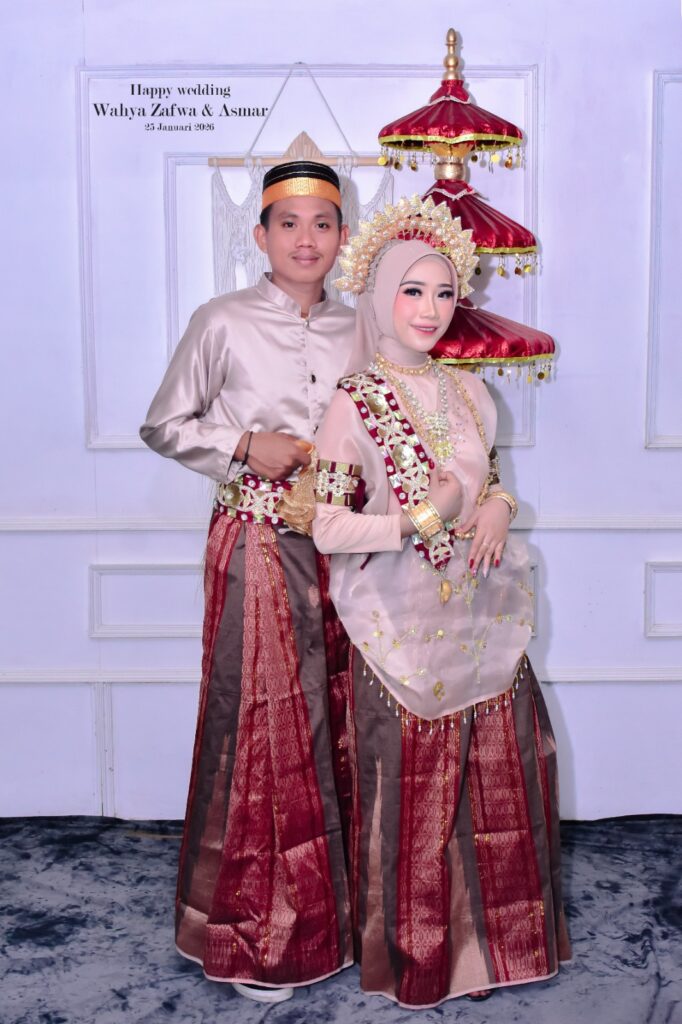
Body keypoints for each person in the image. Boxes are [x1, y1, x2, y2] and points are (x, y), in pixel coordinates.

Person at [312, 197, 571, 1009]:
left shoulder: (470, 393)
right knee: (416, 792)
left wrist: (497, 507)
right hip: (397, 621)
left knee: (499, 778)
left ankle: (494, 949)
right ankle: (421, 956)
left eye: (445, 292)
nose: (430, 310)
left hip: (481, 615)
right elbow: (326, 525)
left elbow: (491, 483)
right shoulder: (354, 401)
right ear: (379, 294)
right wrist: (425, 517)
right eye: (413, 291)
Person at [140, 161, 356, 1004]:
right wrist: (240, 444)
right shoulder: (222, 320)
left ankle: (338, 920)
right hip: (258, 542)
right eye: (288, 224)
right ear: (259, 236)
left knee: (342, 718)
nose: (306, 240)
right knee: (265, 724)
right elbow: (165, 423)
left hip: (348, 547)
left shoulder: (362, 328)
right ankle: (259, 931)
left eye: (323, 224)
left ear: (343, 237)